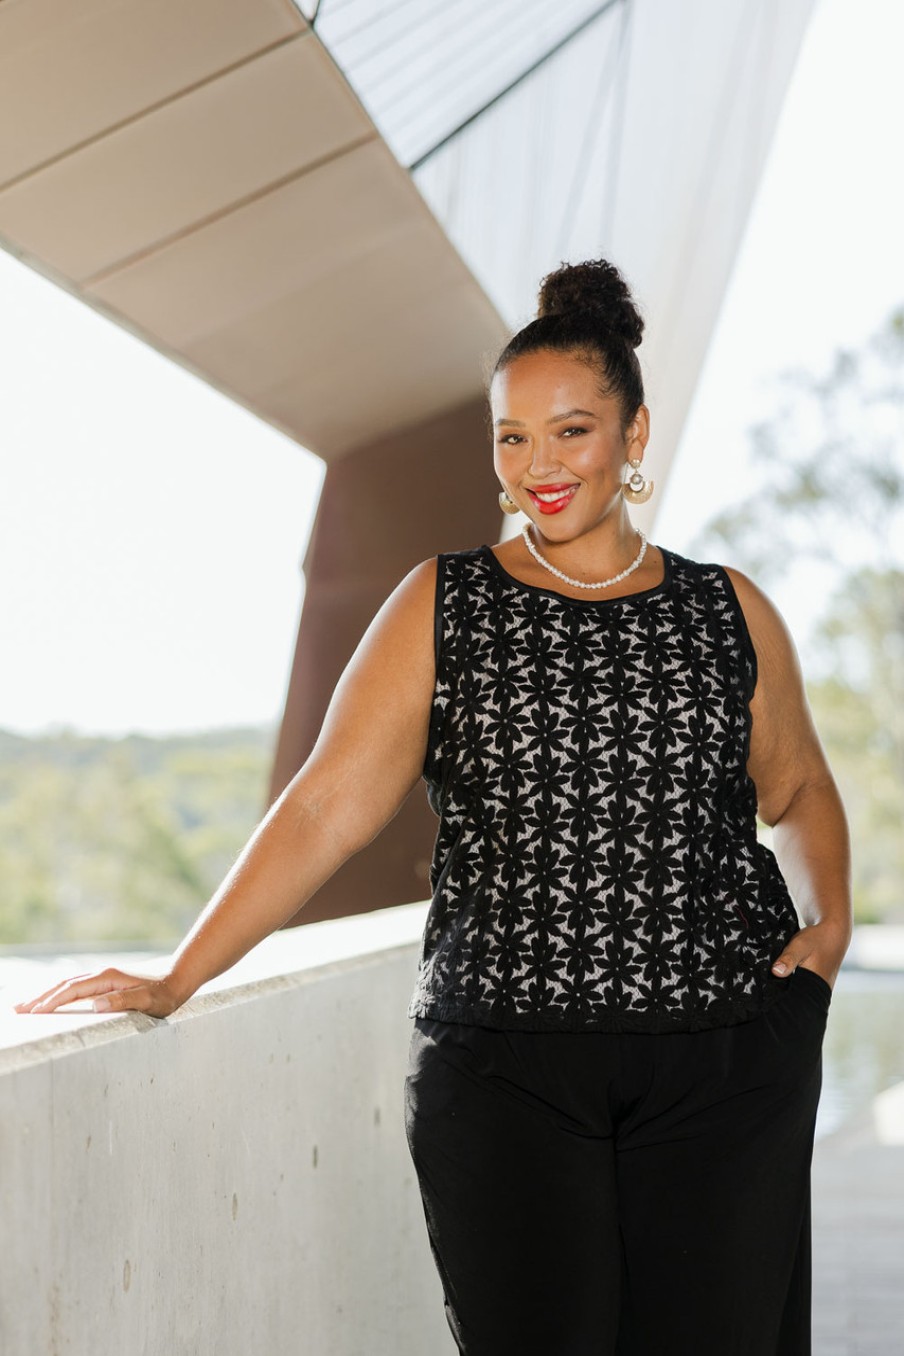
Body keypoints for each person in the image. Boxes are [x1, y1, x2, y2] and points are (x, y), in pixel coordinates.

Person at [15, 258, 852, 1355]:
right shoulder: (441, 604)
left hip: (726, 1065)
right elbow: (325, 808)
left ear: (634, 436)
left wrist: (827, 925)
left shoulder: (723, 610)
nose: (538, 467)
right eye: (513, 437)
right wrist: (181, 974)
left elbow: (795, 787)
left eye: (571, 432)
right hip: (507, 1075)